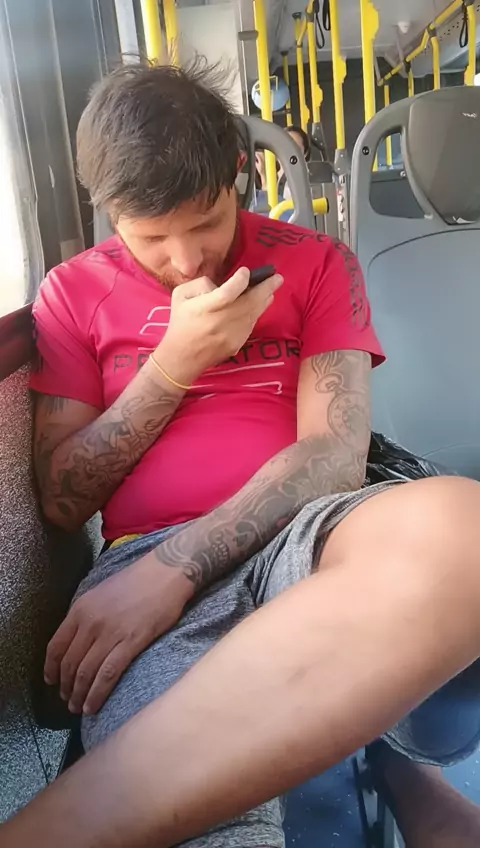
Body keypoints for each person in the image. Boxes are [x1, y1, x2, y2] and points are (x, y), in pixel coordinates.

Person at [5, 58, 480, 848]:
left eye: (206, 223)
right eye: (151, 237)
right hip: (142, 552)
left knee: (466, 531)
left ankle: (383, 758)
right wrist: (174, 365)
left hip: (308, 530)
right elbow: (62, 499)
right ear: (110, 211)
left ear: (237, 176)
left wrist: (178, 567)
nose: (187, 261)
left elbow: (333, 453)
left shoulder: (315, 261)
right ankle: (379, 758)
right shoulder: (72, 292)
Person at [253, 125, 310, 215]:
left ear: (305, 153)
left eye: (296, 148)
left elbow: (277, 213)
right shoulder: (273, 175)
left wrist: (264, 177)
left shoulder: (303, 180)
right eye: (285, 146)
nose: (289, 152)